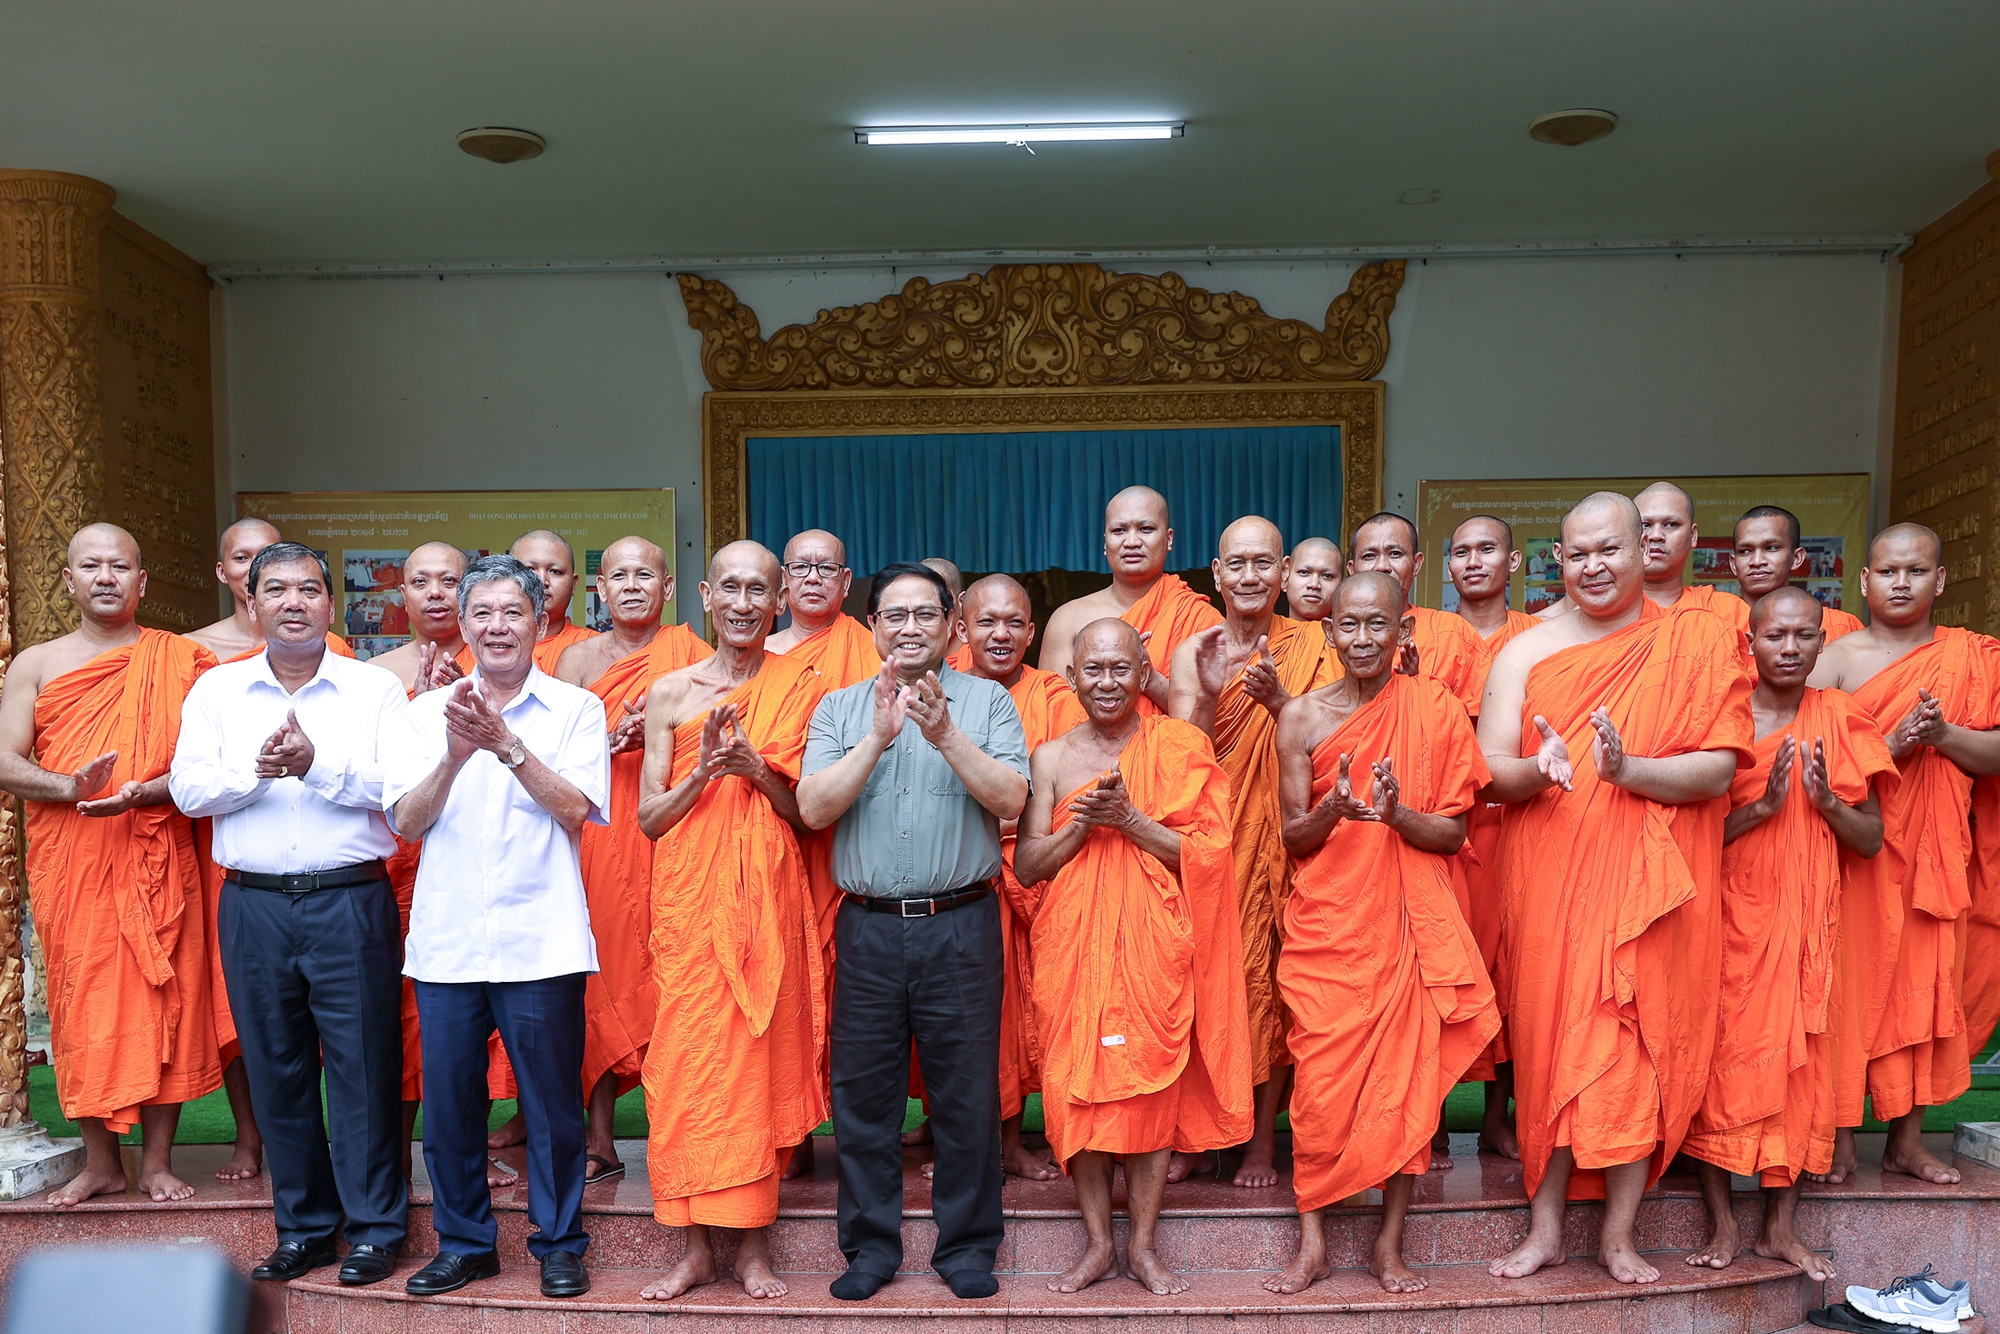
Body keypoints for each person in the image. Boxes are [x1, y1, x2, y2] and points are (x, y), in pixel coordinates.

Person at [1479, 492, 1751, 1285]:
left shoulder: (1695, 641)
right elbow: (1487, 769)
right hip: (1554, 878)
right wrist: (1538, 769)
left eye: (1610, 550)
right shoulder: (1525, 653)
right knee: (1554, 1046)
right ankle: (1544, 1228)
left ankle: (1619, 1235)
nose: (1594, 567)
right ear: (1557, 561)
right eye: (1578, 554)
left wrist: (1628, 770)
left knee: (1636, 1040)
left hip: (1655, 887)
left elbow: (1719, 768)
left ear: (1646, 554)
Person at [169, 542, 414, 1286]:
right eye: (275, 590)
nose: (294, 602)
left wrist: (317, 767)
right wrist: (257, 771)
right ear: (252, 604)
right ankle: (305, 1226)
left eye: (309, 588)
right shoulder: (217, 692)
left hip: (350, 897)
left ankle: (375, 1229)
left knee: (364, 1066)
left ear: (331, 605)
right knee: (276, 1068)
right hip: (255, 904)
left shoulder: (374, 691)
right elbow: (188, 790)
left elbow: (398, 790)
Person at [797, 562, 1029, 1301]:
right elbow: (814, 810)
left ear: (950, 623)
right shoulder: (838, 709)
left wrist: (946, 735)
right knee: (865, 1100)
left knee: (965, 1099)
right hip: (868, 930)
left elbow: (1012, 798)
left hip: (960, 924)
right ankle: (869, 1249)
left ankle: (966, 1248)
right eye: (892, 615)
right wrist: (877, 739)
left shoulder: (987, 702)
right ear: (872, 628)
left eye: (923, 614)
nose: (908, 627)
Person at [1265, 574, 1499, 1296]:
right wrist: (1334, 808)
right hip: (1329, 929)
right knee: (1318, 1085)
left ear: (1404, 634)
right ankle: (1311, 1241)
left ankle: (1389, 1247)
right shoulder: (1300, 718)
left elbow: (1453, 830)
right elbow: (1291, 837)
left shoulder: (1433, 710)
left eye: (1379, 625)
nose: (1363, 638)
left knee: (1406, 1086)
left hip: (1404, 925)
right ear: (1329, 632)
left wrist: (1397, 816)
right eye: (1349, 625)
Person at [388, 555, 610, 1300]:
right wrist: (455, 756)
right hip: (449, 943)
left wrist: (509, 746)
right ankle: (465, 1244)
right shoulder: (423, 715)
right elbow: (405, 822)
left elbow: (577, 809)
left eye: (512, 611)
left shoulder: (577, 709)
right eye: (481, 612)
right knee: (451, 1107)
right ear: (463, 624)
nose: (496, 626)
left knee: (549, 1105)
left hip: (541, 938)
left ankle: (559, 1242)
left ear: (540, 620)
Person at [1014, 618, 1251, 1296]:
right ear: (1073, 675)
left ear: (1143, 670)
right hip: (1074, 946)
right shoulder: (1052, 758)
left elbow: (1210, 855)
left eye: (1122, 668)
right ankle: (1096, 1244)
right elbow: (1029, 864)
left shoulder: (1179, 745)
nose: (1109, 682)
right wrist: (1085, 823)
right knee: (1078, 1095)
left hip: (1154, 945)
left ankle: (1142, 1246)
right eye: (1095, 669)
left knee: (1148, 1089)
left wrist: (1134, 823)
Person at [0, 524, 221, 1204]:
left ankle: (155, 1161)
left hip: (158, 853)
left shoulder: (182, 661)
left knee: (168, 1005)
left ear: (141, 581)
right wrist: (69, 787)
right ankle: (101, 1161)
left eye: (119, 566)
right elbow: (5, 760)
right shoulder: (35, 664)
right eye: (90, 566)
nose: (105, 576)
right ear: (68, 580)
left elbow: (211, 764)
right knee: (84, 1002)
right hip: (76, 863)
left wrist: (149, 791)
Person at [635, 541, 828, 1302]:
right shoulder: (672, 691)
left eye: (760, 590)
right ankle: (691, 1251)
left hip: (768, 900)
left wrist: (756, 772)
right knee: (687, 1070)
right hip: (690, 902)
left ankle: (751, 1250)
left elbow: (808, 814)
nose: (745, 603)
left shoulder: (800, 687)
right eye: (732, 589)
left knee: (756, 1064)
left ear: (778, 600)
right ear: (708, 598)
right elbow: (650, 817)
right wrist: (705, 773)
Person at [1680, 586, 1890, 1284]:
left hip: (1806, 925)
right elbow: (1688, 839)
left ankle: (1779, 1227)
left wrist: (1827, 803)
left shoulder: (1841, 718)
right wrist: (1763, 807)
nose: (1791, 649)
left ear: (1823, 645)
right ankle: (1723, 1221)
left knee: (1800, 1070)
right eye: (1776, 637)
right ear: (1751, 643)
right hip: (1729, 922)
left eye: (1804, 637)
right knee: (1721, 1068)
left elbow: (1870, 840)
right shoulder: (1721, 719)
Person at [485, 538, 708, 1171]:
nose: (632, 585)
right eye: (619, 576)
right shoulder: (578, 660)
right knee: (598, 976)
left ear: (668, 590)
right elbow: (542, 748)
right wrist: (610, 740)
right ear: (600, 590)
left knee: (669, 975)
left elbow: (703, 745)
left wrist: (658, 735)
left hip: (667, 826)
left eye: (646, 575)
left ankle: (682, 1133)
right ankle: (598, 1136)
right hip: (596, 830)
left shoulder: (695, 656)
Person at [1807, 523, 2000, 1187]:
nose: (1900, 582)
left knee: (1924, 991)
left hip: (1935, 855)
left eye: (1916, 571)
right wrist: (1890, 744)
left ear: (1940, 580)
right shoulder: (1833, 658)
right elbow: (1812, 761)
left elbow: (1997, 752)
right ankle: (1836, 1133)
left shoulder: (1976, 656)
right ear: (1863, 581)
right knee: (1845, 989)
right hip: (1856, 852)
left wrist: (1944, 734)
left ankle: (1906, 1141)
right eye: (1887, 571)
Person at [1172, 516, 1340, 1187]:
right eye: (1236, 564)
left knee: (1277, 984)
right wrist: (1211, 694)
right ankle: (1194, 1133)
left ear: (1284, 572)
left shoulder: (1315, 644)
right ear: (1216, 574)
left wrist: (1282, 703)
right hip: (1215, 842)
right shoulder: (1197, 648)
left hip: (1293, 839)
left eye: (1263, 564)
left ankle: (1262, 1146)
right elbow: (1184, 754)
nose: (1249, 576)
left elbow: (1332, 739)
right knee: (1205, 980)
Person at [953, 574, 1088, 1182]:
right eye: (987, 622)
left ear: (1033, 633)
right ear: (962, 629)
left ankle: (1021, 1139)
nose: (1001, 634)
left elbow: (1062, 783)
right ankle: (969, 1139)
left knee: (1030, 1008)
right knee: (970, 1014)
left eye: (1014, 623)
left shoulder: (1055, 696)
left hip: (1033, 869)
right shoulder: (940, 689)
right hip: (957, 871)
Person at [364, 542, 489, 1180]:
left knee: (477, 1015)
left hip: (479, 858)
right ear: (401, 594)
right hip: (398, 864)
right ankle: (404, 1153)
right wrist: (416, 704)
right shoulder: (374, 674)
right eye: (421, 581)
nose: (436, 592)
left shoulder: (502, 664)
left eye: (450, 580)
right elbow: (370, 774)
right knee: (405, 1011)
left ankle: (476, 1146)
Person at [766, 528, 881, 1179]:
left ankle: (860, 1142)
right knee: (784, 988)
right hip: (772, 845)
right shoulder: (756, 655)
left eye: (826, 568)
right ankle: (788, 1132)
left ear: (845, 582)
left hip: (848, 842)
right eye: (800, 567)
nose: (812, 578)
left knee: (848, 995)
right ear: (784, 582)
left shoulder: (867, 652)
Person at [1446, 513, 1536, 1154]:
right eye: (1462, 552)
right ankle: (1428, 1114)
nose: (1474, 561)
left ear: (1515, 564)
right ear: (1444, 567)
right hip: (1443, 821)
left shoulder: (1540, 637)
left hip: (1515, 822)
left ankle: (1500, 1113)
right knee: (1439, 966)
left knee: (1511, 967)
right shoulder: (1420, 633)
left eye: (1488, 550)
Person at [1041, 486, 1222, 714]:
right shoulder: (1068, 620)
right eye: (1119, 530)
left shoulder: (1199, 618)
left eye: (1145, 529)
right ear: (1105, 542)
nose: (1132, 541)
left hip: (1168, 749)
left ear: (1168, 539)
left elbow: (1208, 717)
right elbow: (1054, 714)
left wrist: (1150, 678)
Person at [1347, 512, 1487, 714]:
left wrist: (1416, 691)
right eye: (1369, 556)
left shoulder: (1451, 632)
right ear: (1352, 569)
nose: (1382, 566)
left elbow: (1476, 720)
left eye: (1395, 553)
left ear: (1417, 564)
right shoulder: (1331, 638)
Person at [1731, 506, 1865, 644]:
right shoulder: (1715, 620)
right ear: (1733, 564)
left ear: (1797, 558)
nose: (1757, 561)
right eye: (1745, 551)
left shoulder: (1841, 627)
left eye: (1771, 548)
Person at [1636, 481, 1748, 633]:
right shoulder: (1603, 612)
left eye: (1670, 524)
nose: (1656, 536)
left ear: (1693, 535)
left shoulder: (1729, 612)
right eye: (1645, 525)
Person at [513, 530, 597, 672]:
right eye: (529, 569)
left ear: (573, 584)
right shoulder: (487, 644)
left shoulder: (595, 647)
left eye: (555, 571)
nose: (541, 581)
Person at [1448, 515, 1536, 647]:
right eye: (1461, 552)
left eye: (1487, 549)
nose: (1472, 563)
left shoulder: (1537, 634)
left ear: (1513, 561)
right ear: (1449, 570)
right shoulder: (1431, 637)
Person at [1283, 538, 1343, 622]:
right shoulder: (1264, 631)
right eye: (1304, 572)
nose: (1314, 584)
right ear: (1284, 577)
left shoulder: (1351, 635)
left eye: (1327, 575)